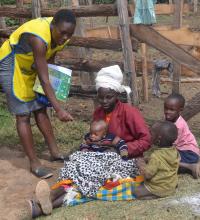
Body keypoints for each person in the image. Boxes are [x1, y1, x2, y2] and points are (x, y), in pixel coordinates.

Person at [0, 9, 76, 178]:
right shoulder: (38, 38)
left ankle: (55, 153)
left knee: (40, 108)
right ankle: (34, 163)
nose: (65, 37)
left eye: (69, 34)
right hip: (12, 63)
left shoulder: (62, 35)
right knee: (23, 114)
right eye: (62, 33)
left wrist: (51, 90)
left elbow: (49, 62)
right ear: (53, 25)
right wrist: (59, 109)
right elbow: (44, 79)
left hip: (31, 64)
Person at [93, 65, 151, 158]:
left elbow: (146, 140)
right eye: (101, 97)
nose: (104, 101)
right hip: (103, 155)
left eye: (109, 97)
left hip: (126, 157)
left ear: (117, 95)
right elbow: (95, 135)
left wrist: (121, 149)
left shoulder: (129, 112)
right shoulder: (98, 113)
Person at [135, 121, 180, 199]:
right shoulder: (174, 151)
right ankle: (166, 191)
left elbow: (147, 175)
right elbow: (163, 162)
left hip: (158, 187)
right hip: (171, 185)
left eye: (151, 134)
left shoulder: (155, 156)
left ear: (158, 138)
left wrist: (141, 164)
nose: (149, 136)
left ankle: (155, 195)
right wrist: (147, 159)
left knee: (136, 191)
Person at [164, 93, 200, 178]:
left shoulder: (178, 126)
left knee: (165, 161)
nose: (167, 112)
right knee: (163, 159)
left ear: (180, 111)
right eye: (166, 108)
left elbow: (171, 145)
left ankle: (191, 167)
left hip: (188, 153)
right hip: (181, 150)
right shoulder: (169, 118)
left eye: (171, 109)